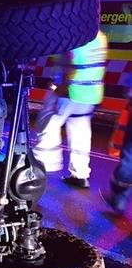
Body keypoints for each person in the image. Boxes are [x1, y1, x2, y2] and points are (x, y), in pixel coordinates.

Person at [33, 30, 108, 189]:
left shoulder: (74, 35)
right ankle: (80, 175)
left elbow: (72, 63)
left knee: (47, 124)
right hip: (89, 94)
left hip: (69, 91)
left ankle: (41, 168)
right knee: (80, 133)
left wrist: (61, 88)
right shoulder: (100, 36)